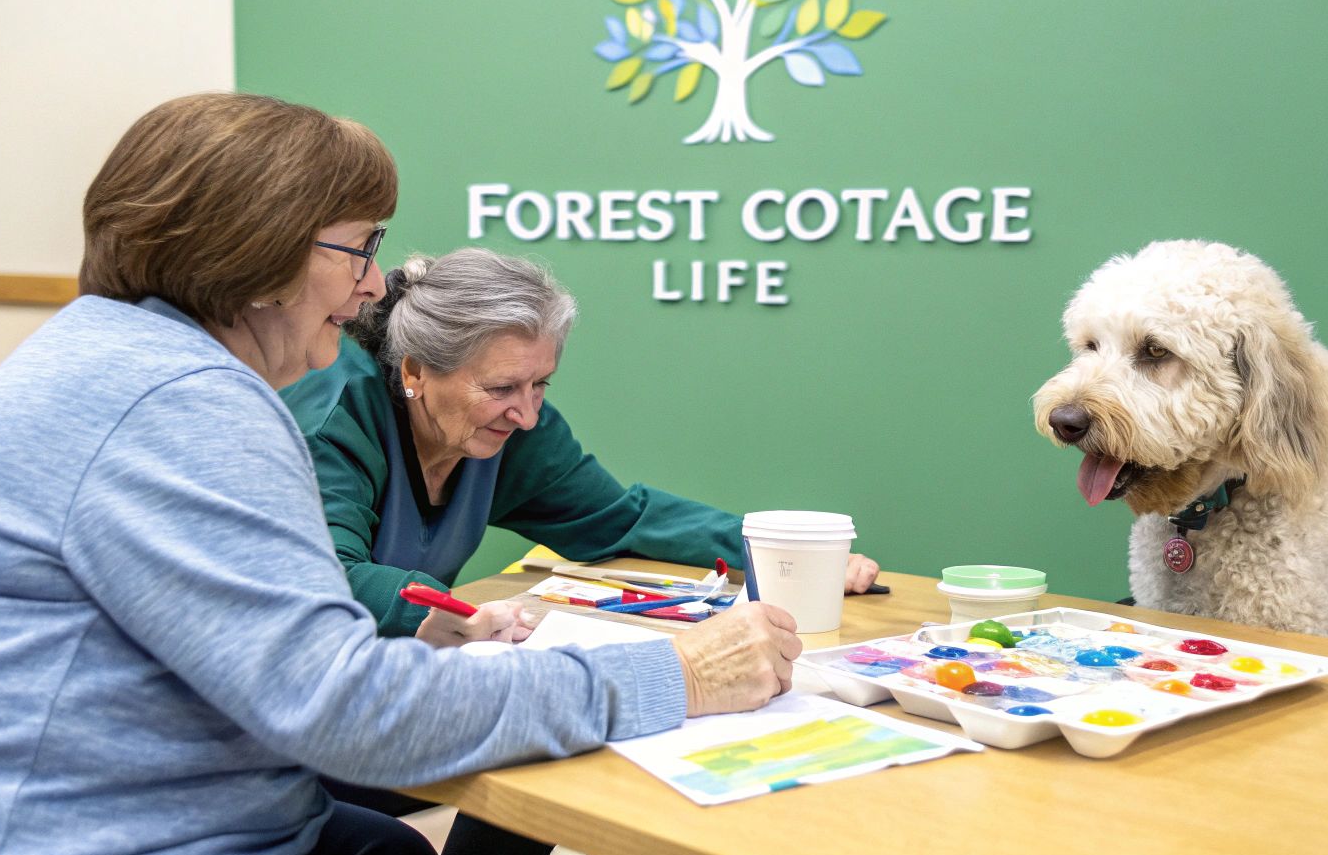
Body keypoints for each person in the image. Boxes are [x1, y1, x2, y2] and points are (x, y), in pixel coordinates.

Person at [0, 93, 802, 855]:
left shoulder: (119, 358)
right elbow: (347, 710)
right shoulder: (181, 402)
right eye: (360, 247)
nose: (376, 287)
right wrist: (673, 674)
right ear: (257, 248)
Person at [278, 246, 882, 637]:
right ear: (415, 373)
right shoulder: (338, 420)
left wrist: (772, 550)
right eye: (501, 388)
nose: (527, 416)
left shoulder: (509, 429)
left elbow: (616, 520)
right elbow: (329, 577)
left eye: (540, 384)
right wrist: (455, 611)